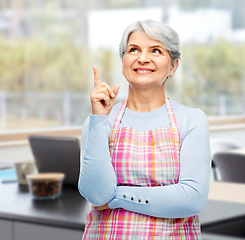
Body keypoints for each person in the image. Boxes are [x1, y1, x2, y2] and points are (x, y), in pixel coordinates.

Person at [78, 19, 211, 239]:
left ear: (173, 65)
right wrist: (99, 119)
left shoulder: (191, 120)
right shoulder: (100, 122)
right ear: (123, 62)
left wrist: (116, 197)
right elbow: (96, 194)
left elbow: (192, 198)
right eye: (134, 50)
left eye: (156, 50)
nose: (142, 58)